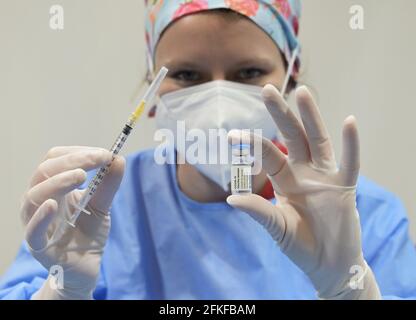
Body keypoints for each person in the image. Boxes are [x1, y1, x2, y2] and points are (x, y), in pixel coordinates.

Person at [1, 0, 416, 300]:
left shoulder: (365, 217)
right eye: (186, 74)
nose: (217, 101)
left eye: (248, 72)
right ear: (152, 88)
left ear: (292, 74)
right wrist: (61, 292)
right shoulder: (92, 208)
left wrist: (350, 291)